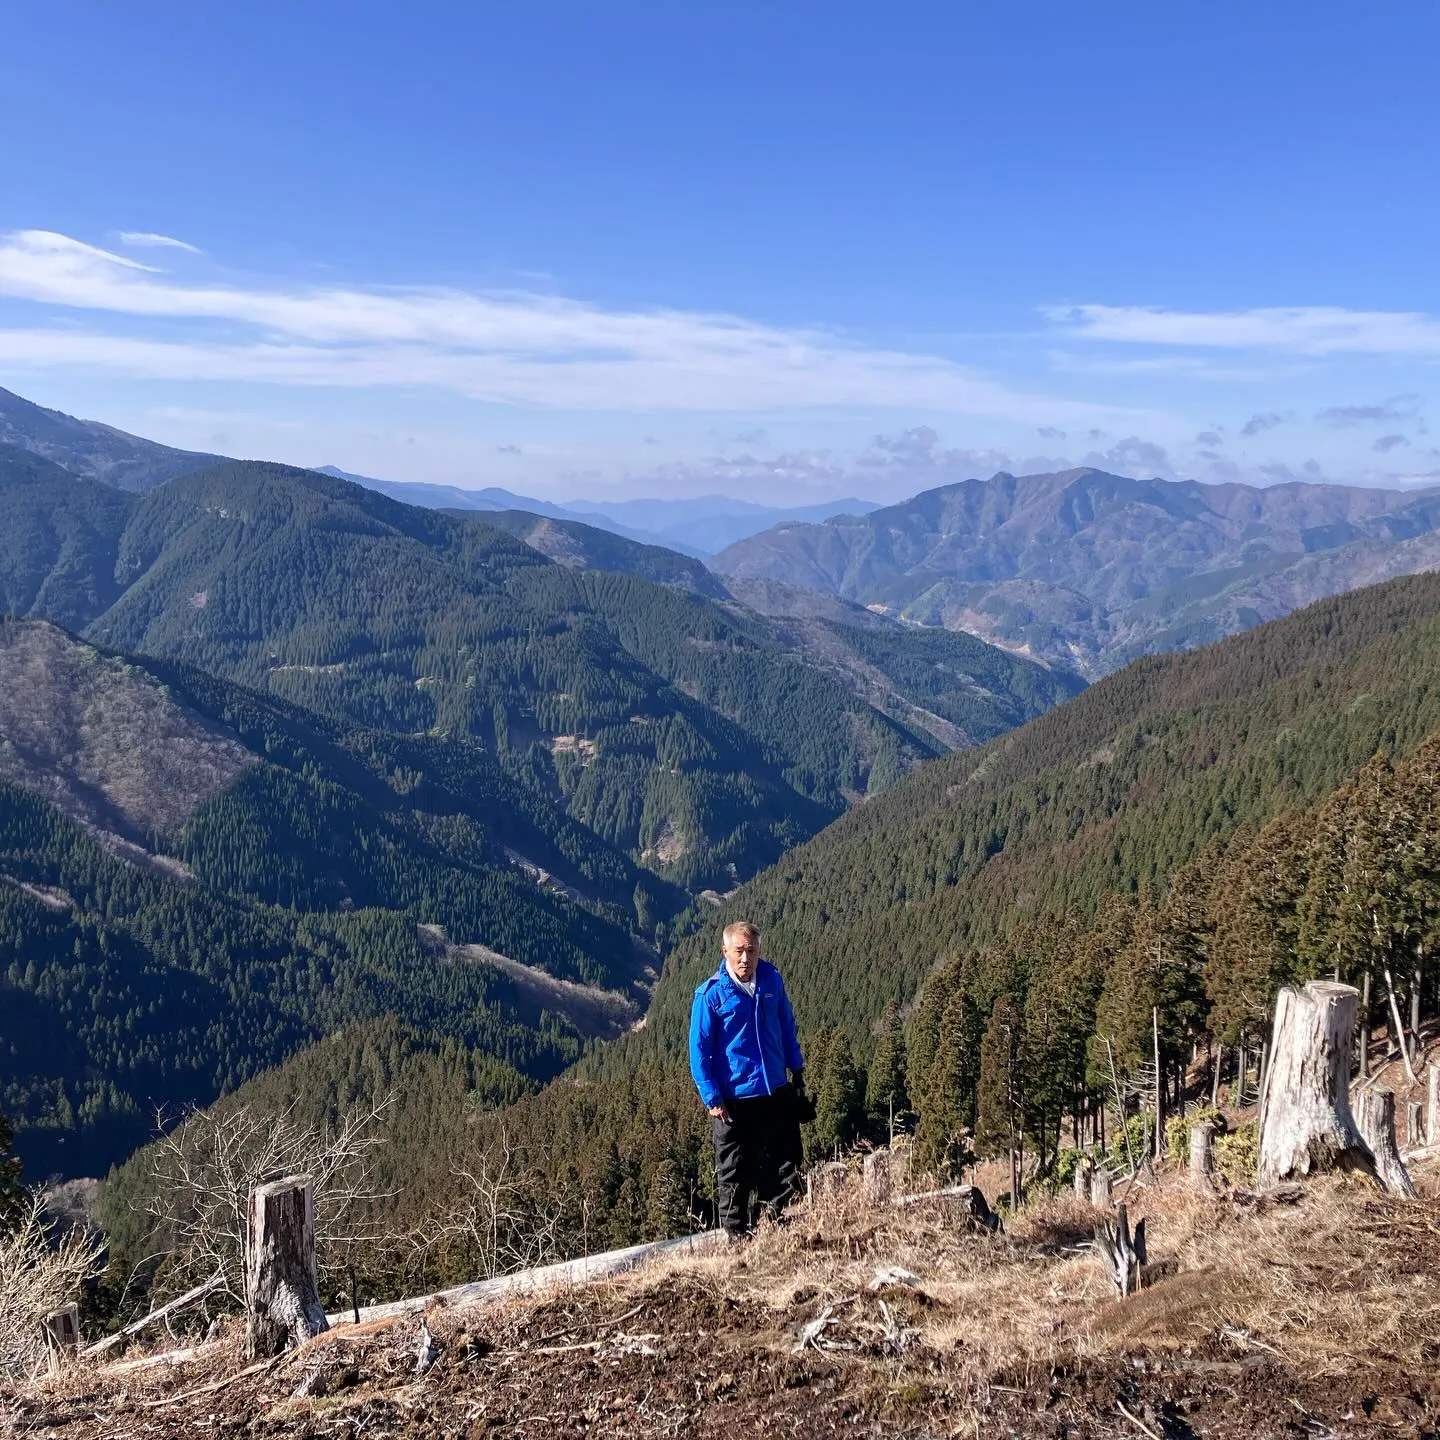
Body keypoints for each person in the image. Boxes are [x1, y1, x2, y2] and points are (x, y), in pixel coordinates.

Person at [688, 920, 809, 1237]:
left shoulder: (771, 980)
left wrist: (797, 1070)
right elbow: (699, 1050)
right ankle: (736, 1234)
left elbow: (786, 1027)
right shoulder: (710, 995)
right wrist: (712, 1098)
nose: (745, 958)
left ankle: (778, 1221)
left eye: (751, 951)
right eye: (739, 951)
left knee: (785, 1159)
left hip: (774, 1087)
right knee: (735, 1168)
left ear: (759, 951)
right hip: (734, 1098)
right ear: (725, 951)